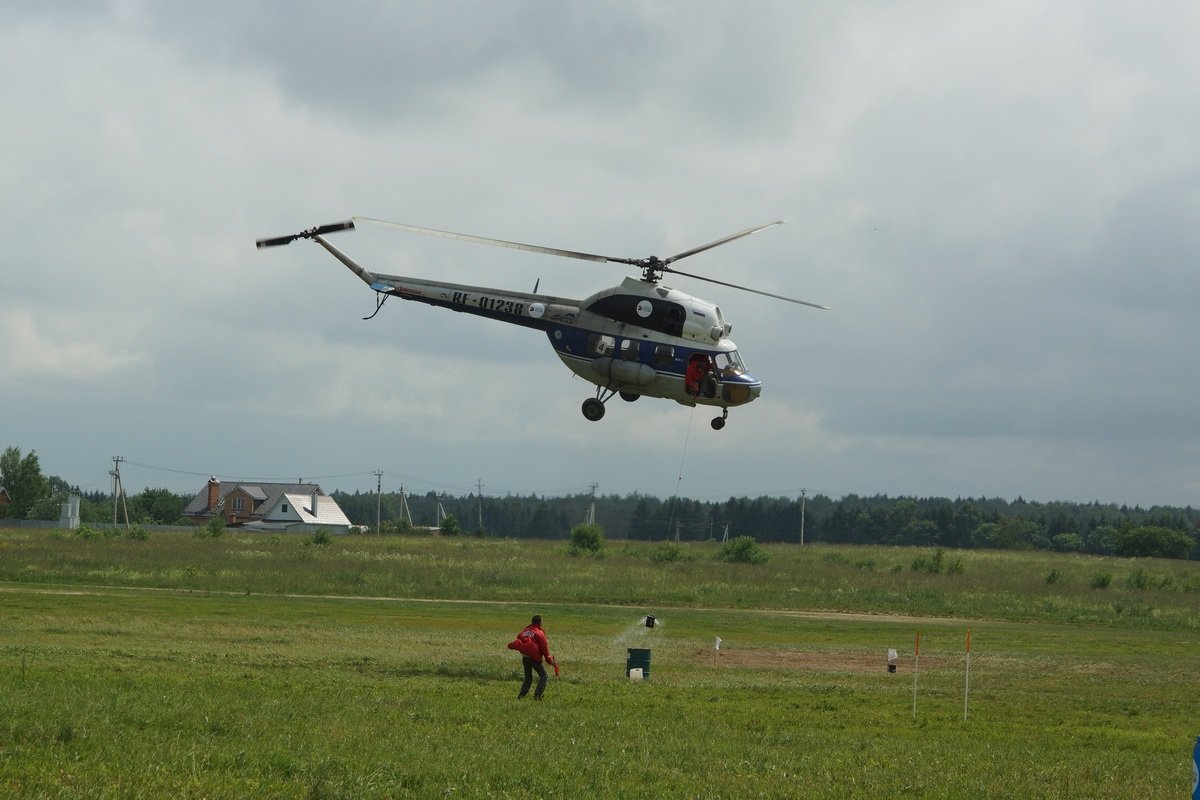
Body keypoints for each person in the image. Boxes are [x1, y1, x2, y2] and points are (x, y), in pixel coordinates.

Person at [508, 614, 555, 700]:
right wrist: (550, 660)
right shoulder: (539, 633)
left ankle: (521, 696)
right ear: (540, 622)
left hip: (525, 657)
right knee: (544, 676)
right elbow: (544, 648)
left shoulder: (524, 631)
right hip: (534, 658)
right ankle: (537, 696)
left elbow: (519, 640)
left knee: (528, 677)